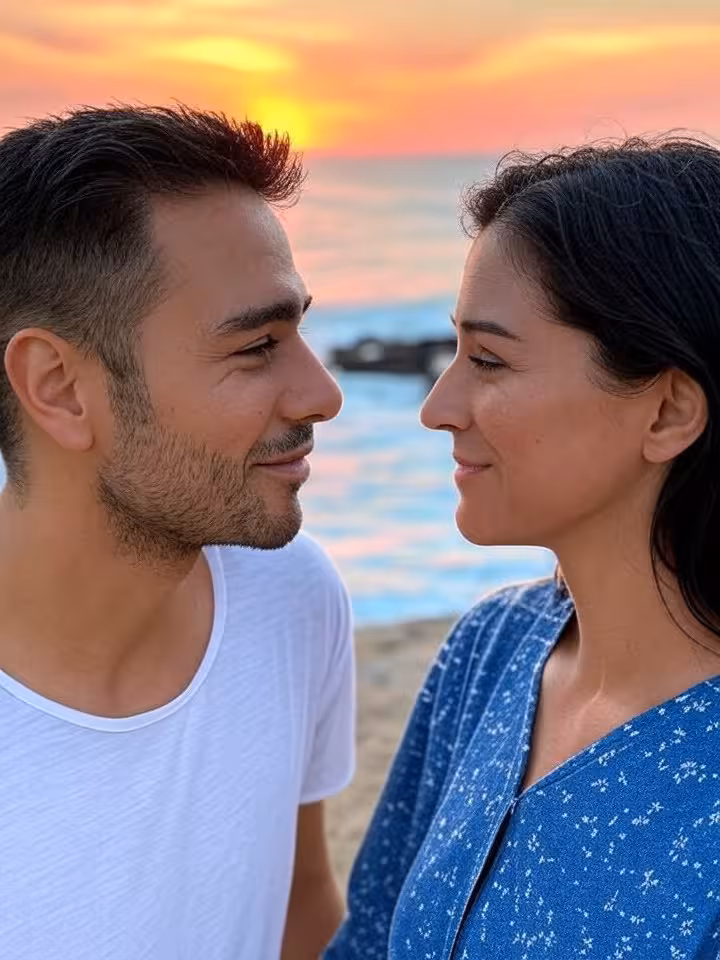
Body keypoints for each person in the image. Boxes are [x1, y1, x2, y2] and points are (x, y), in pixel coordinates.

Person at [326, 137, 720, 959]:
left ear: (667, 413)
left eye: (490, 360)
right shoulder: (488, 652)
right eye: (453, 353)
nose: (438, 407)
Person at [0, 104, 354, 960]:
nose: (322, 395)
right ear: (58, 388)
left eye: (298, 330)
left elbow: (301, 909)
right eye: (255, 346)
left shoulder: (292, 599)